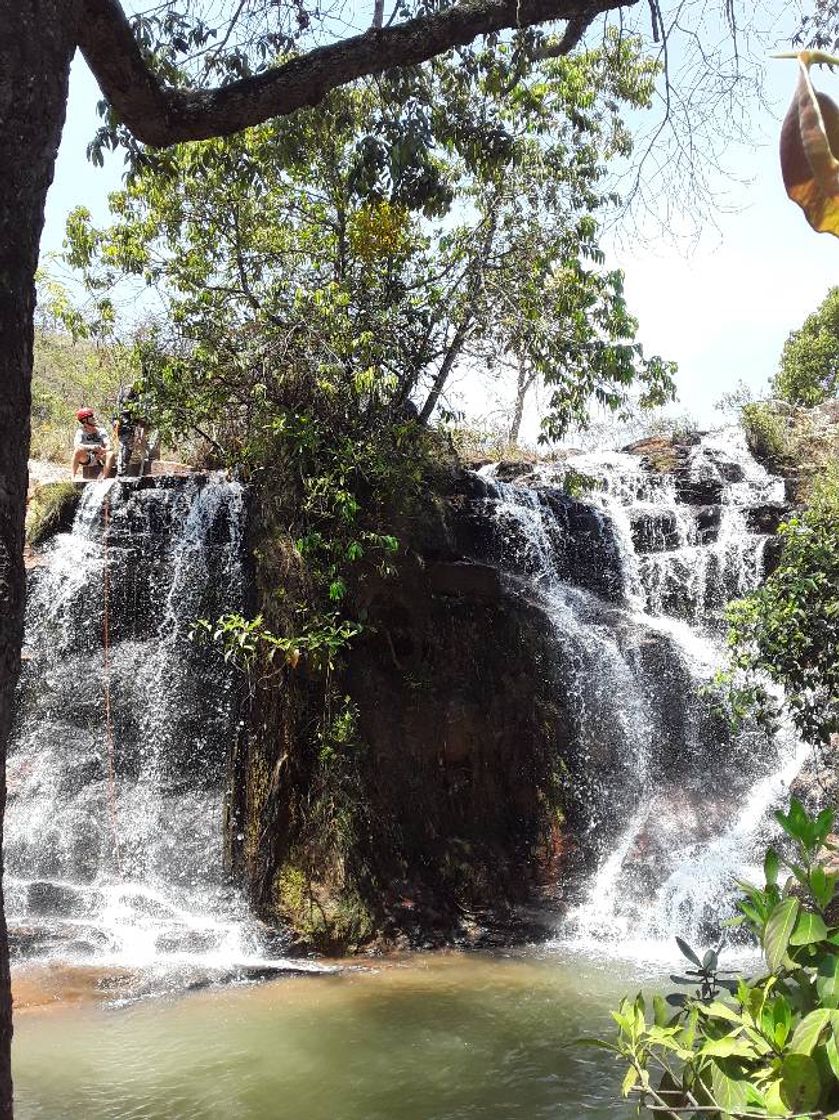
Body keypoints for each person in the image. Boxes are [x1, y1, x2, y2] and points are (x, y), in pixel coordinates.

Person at [71, 408, 115, 479]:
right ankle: (72, 477)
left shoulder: (101, 431)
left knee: (111, 454)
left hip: (100, 456)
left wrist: (103, 450)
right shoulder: (80, 432)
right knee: (77, 451)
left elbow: (108, 445)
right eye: (91, 417)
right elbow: (77, 445)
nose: (94, 418)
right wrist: (91, 447)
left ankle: (103, 477)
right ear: (85, 420)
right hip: (88, 457)